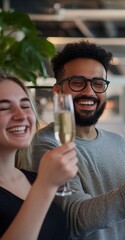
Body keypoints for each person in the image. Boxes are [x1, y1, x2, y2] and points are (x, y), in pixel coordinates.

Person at [26, 41, 125, 240]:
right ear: (57, 91)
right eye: (77, 82)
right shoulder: (47, 145)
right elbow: (76, 220)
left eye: (98, 83)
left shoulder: (117, 142)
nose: (89, 92)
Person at [0, 75, 78, 239]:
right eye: (4, 108)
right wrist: (46, 185)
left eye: (25, 105)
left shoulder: (32, 178)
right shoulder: (42, 182)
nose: (21, 115)